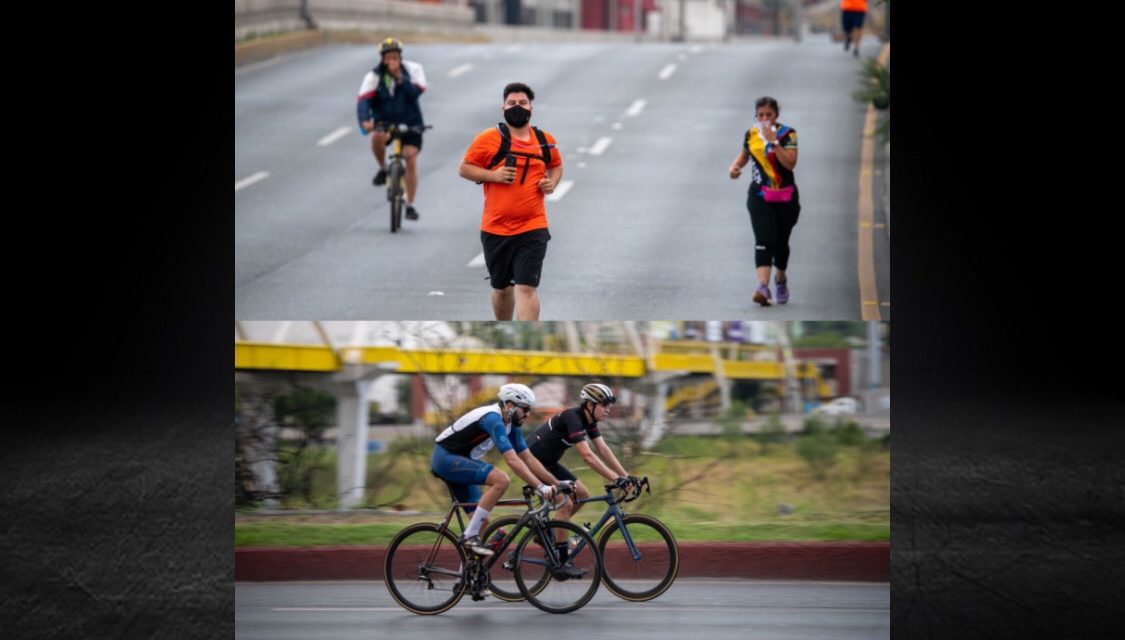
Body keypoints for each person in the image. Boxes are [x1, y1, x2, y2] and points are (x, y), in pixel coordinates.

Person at [459, 82, 563, 321]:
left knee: (526, 287)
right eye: (512, 103)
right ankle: (503, 325)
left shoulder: (545, 140)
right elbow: (464, 169)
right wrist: (493, 176)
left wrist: (552, 183)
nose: (517, 107)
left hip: (533, 226)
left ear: (531, 108)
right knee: (502, 289)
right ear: (503, 108)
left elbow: (556, 165)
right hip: (496, 227)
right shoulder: (488, 139)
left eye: (523, 103)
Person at [430, 383, 566, 559]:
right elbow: (512, 460)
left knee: (482, 522)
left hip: (461, 462)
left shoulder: (511, 426)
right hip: (445, 458)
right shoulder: (492, 418)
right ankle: (469, 537)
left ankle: (465, 582)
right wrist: (541, 487)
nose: (527, 414)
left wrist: (555, 483)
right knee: (501, 479)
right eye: (525, 409)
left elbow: (529, 459)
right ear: (510, 406)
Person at [527, 383, 636, 532]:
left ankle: (551, 534)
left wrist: (626, 476)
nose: (608, 409)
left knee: (582, 495)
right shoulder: (572, 418)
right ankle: (561, 551)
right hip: (532, 461)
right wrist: (615, 479)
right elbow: (587, 456)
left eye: (609, 405)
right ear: (590, 404)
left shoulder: (589, 422)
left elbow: (603, 449)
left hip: (549, 463)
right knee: (566, 505)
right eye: (604, 405)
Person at [728, 96, 800, 306]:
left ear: (776, 115)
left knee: (780, 243)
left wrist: (774, 142)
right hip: (760, 195)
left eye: (769, 115)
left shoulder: (788, 134)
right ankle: (762, 287)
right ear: (756, 116)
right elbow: (744, 155)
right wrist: (734, 168)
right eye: (760, 115)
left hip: (785, 197)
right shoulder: (751, 134)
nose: (764, 119)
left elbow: (790, 164)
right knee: (763, 240)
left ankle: (781, 279)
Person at [356, 37, 427, 220]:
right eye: (388, 58)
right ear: (382, 59)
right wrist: (365, 121)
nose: (391, 61)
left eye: (395, 57)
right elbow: (363, 101)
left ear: (400, 57)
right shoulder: (374, 77)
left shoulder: (413, 70)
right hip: (385, 122)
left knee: (410, 159)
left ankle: (410, 204)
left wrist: (400, 78)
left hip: (411, 122)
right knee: (377, 137)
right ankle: (383, 168)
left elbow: (415, 94)